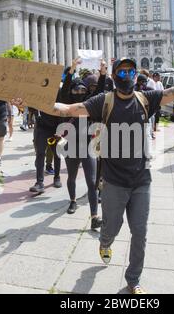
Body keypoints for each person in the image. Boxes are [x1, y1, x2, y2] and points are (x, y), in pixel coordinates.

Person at [12, 51, 174, 294]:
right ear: (114, 76)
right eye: (122, 71)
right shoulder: (104, 101)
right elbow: (68, 109)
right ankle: (105, 241)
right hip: (113, 182)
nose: (128, 75)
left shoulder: (146, 99)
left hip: (142, 180)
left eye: (131, 71)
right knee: (112, 227)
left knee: (140, 232)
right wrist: (30, 102)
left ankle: (133, 279)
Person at [59, 57, 105, 230]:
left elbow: (100, 91)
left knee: (92, 181)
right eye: (76, 89)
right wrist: (71, 70)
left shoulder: (89, 104)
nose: (79, 91)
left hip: (88, 147)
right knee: (71, 177)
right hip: (71, 147)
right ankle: (72, 201)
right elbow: (64, 91)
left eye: (82, 89)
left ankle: (94, 216)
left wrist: (102, 73)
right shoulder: (67, 103)